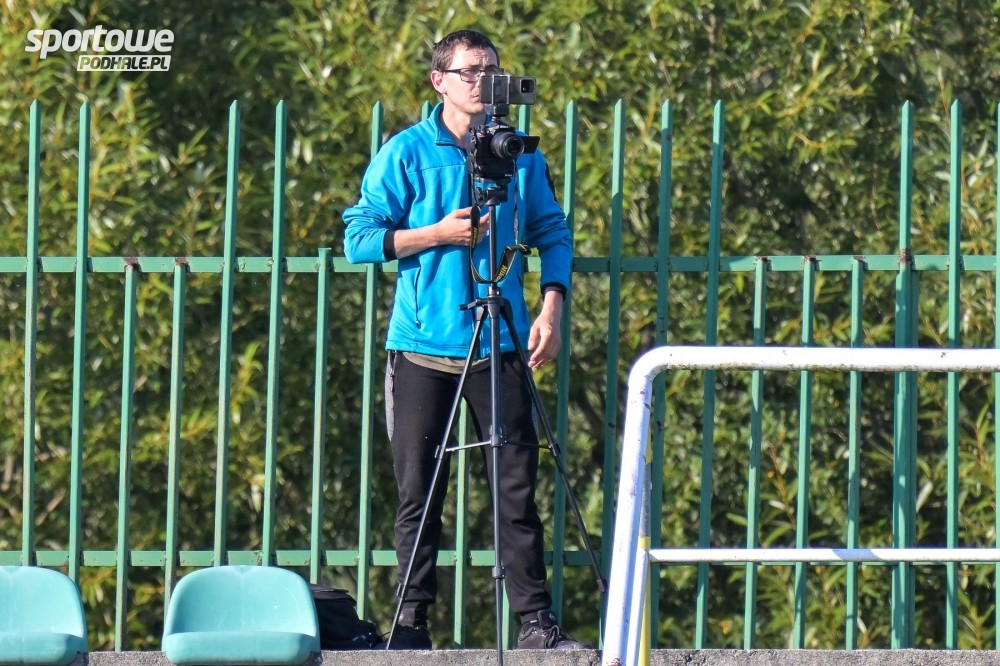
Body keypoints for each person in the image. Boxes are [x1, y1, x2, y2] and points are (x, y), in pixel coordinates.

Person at [342, 29, 585, 650]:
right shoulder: (406, 152)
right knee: (419, 496)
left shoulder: (519, 153)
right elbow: (358, 239)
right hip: (422, 350)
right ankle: (410, 626)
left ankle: (536, 624)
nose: (483, 82)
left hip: (499, 342)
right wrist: (435, 235)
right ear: (439, 81)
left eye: (492, 70)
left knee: (516, 492)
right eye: (470, 71)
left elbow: (553, 232)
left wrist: (552, 308)